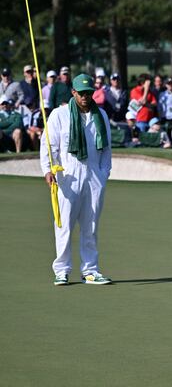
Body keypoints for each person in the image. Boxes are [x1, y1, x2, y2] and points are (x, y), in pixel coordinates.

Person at [41, 73, 113, 286]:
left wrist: (103, 172)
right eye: (81, 93)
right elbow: (49, 146)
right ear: (73, 92)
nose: (85, 96)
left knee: (90, 225)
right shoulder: (59, 114)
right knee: (64, 225)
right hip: (68, 175)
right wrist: (47, 169)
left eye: (89, 93)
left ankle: (90, 270)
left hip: (94, 175)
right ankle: (62, 270)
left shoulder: (101, 115)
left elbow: (107, 148)